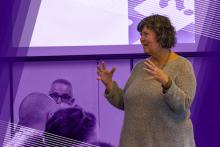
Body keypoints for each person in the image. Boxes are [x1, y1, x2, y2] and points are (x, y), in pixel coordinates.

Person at [97, 14, 196, 147]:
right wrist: (109, 85)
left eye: (145, 34)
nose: (141, 39)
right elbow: (125, 103)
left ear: (161, 36)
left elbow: (182, 107)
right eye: (140, 34)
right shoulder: (140, 67)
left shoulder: (182, 66)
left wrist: (167, 83)